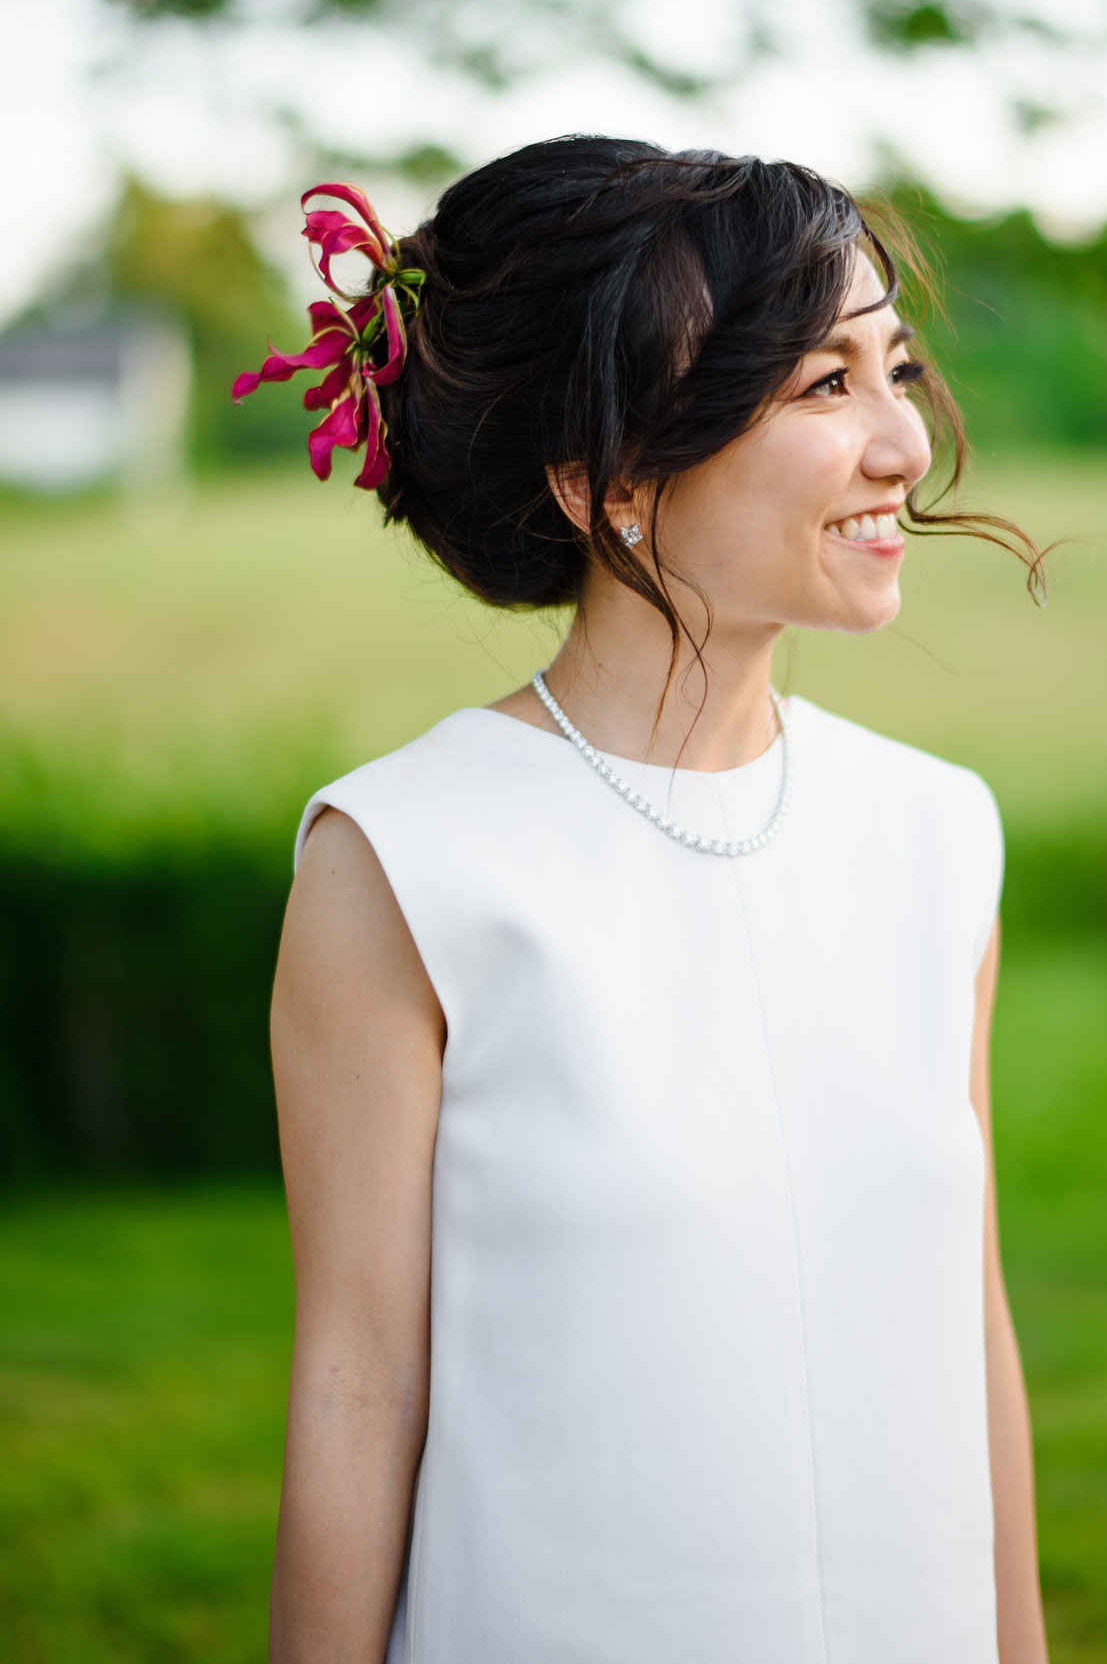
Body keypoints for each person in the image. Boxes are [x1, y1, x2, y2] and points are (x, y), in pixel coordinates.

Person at [241, 140, 1050, 1664]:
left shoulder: (938, 834)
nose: (901, 447)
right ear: (610, 479)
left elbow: (971, 1322)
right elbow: (358, 1386)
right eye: (821, 385)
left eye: (897, 368)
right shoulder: (402, 859)